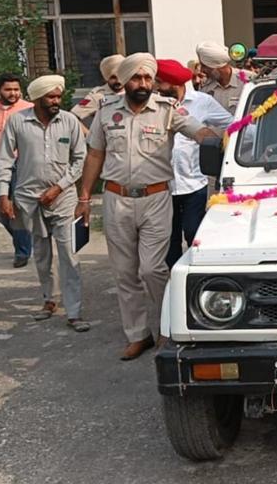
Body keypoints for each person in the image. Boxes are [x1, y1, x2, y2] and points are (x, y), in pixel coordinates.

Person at [75, 53, 218, 360]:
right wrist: (84, 197)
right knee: (124, 272)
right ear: (125, 81)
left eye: (148, 78)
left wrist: (223, 141)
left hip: (156, 200)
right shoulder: (106, 112)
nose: (143, 83)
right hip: (116, 200)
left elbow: (199, 131)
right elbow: (95, 156)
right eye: (137, 78)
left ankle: (169, 327)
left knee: (153, 269)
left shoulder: (166, 110)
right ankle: (139, 335)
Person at [0, 75, 89, 332]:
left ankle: (74, 311)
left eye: (58, 96)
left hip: (63, 198)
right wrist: (3, 195)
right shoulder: (18, 121)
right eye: (51, 97)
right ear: (37, 98)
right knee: (42, 253)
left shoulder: (69, 121)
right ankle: (49, 300)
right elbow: (3, 161)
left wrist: (59, 187)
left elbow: (80, 160)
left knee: (69, 255)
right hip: (29, 198)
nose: (56, 101)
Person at [155, 59, 233, 268]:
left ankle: (195, 278)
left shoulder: (202, 102)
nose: (156, 88)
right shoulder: (154, 105)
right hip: (164, 186)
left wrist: (261, 143)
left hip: (194, 184)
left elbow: (233, 124)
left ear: (174, 84)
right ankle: (172, 284)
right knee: (169, 240)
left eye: (160, 83)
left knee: (193, 232)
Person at [0, 73, 34, 267]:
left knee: (18, 209)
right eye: (8, 89)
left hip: (22, 163)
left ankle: (22, 251)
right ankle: (25, 237)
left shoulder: (28, 109)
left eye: (16, 89)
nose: (13, 93)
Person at [71, 54, 125, 131]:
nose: (118, 81)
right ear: (106, 78)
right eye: (113, 78)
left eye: (120, 76)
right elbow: (72, 116)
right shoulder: (97, 95)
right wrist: (89, 136)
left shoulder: (132, 92)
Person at [196, 41, 248, 112]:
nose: (202, 70)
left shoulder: (248, 81)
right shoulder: (205, 87)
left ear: (217, 66)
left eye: (205, 66)